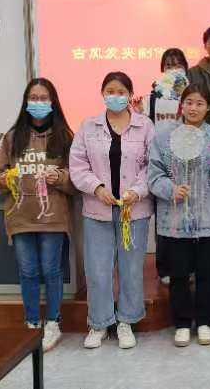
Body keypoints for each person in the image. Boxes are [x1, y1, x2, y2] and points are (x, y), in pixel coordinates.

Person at [69, 72, 155, 349]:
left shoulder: (145, 126)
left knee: (131, 269)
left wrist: (137, 191)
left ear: (130, 95)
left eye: (121, 92)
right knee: (97, 270)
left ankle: (126, 321)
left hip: (134, 210)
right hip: (98, 209)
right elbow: (77, 165)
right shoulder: (88, 126)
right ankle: (99, 323)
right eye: (110, 91)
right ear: (102, 93)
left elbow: (153, 165)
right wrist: (96, 188)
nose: (115, 96)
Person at [0, 78, 75, 352]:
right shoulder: (12, 137)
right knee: (27, 271)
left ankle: (53, 322)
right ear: (26, 102)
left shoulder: (65, 136)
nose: (38, 102)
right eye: (34, 98)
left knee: (51, 270)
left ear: (53, 102)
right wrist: (3, 179)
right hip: (20, 217)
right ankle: (30, 323)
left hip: (53, 217)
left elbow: (77, 180)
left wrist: (60, 177)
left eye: (43, 98)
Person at [148, 84, 210, 347]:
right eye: (189, 102)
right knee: (179, 274)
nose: (193, 108)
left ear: (208, 108)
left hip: (208, 218)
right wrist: (171, 189)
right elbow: (154, 175)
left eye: (199, 103)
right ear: (181, 106)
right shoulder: (163, 137)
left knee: (208, 272)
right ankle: (183, 323)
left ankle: (205, 321)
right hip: (175, 219)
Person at [140, 49, 189, 286]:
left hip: (187, 159)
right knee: (163, 215)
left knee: (187, 214)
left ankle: (188, 266)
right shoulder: (151, 98)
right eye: (168, 65)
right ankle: (164, 267)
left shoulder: (190, 95)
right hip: (160, 160)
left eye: (178, 64)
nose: (173, 68)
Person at [141, 48, 190, 126]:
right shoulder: (151, 98)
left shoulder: (193, 95)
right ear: (163, 68)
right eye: (169, 66)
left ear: (185, 67)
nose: (174, 70)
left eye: (178, 66)